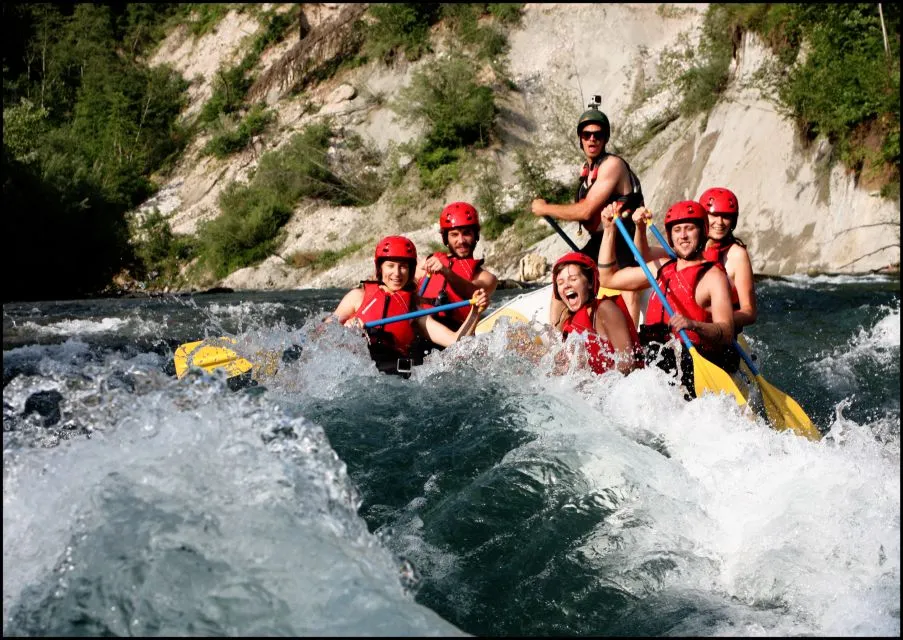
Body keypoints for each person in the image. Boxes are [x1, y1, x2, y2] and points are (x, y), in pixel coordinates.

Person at [597, 200, 737, 398]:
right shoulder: (660, 268)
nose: (683, 236)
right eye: (677, 230)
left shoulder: (714, 277)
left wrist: (693, 325)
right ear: (670, 237)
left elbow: (726, 332)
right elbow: (607, 278)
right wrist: (609, 230)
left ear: (703, 231)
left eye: (689, 229)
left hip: (691, 368)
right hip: (654, 367)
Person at [530, 100, 647, 325]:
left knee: (627, 288)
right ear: (580, 138)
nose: (592, 139)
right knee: (562, 275)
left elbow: (585, 211)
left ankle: (633, 344)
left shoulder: (613, 165)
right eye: (586, 135)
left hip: (624, 238)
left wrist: (544, 208)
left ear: (605, 138)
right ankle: (558, 337)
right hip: (600, 240)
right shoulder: (587, 173)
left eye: (598, 135)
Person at [332, 235, 489, 377]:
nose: (397, 273)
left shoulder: (414, 310)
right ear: (380, 268)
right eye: (391, 266)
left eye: (403, 266)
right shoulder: (357, 297)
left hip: (393, 377)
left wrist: (475, 311)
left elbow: (455, 342)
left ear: (411, 270)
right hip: (356, 372)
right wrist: (344, 332)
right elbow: (319, 334)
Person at [549, 252, 641, 375]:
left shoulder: (605, 309)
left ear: (590, 283)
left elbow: (627, 363)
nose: (566, 285)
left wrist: (593, 386)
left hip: (625, 387)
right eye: (560, 283)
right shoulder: (569, 322)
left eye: (573, 279)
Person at [415, 201, 498, 333]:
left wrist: (446, 272)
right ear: (445, 238)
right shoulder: (427, 263)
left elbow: (472, 292)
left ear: (475, 236)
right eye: (454, 235)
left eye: (466, 233)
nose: (461, 241)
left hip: (455, 336)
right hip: (422, 329)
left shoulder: (487, 278)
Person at [698, 187, 758, 332]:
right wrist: (641, 228)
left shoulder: (737, 255)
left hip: (721, 335)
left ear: (733, 221)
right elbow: (645, 256)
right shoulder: (690, 249)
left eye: (726, 216)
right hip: (692, 329)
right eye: (714, 215)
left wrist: (717, 321)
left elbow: (749, 312)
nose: (720, 222)